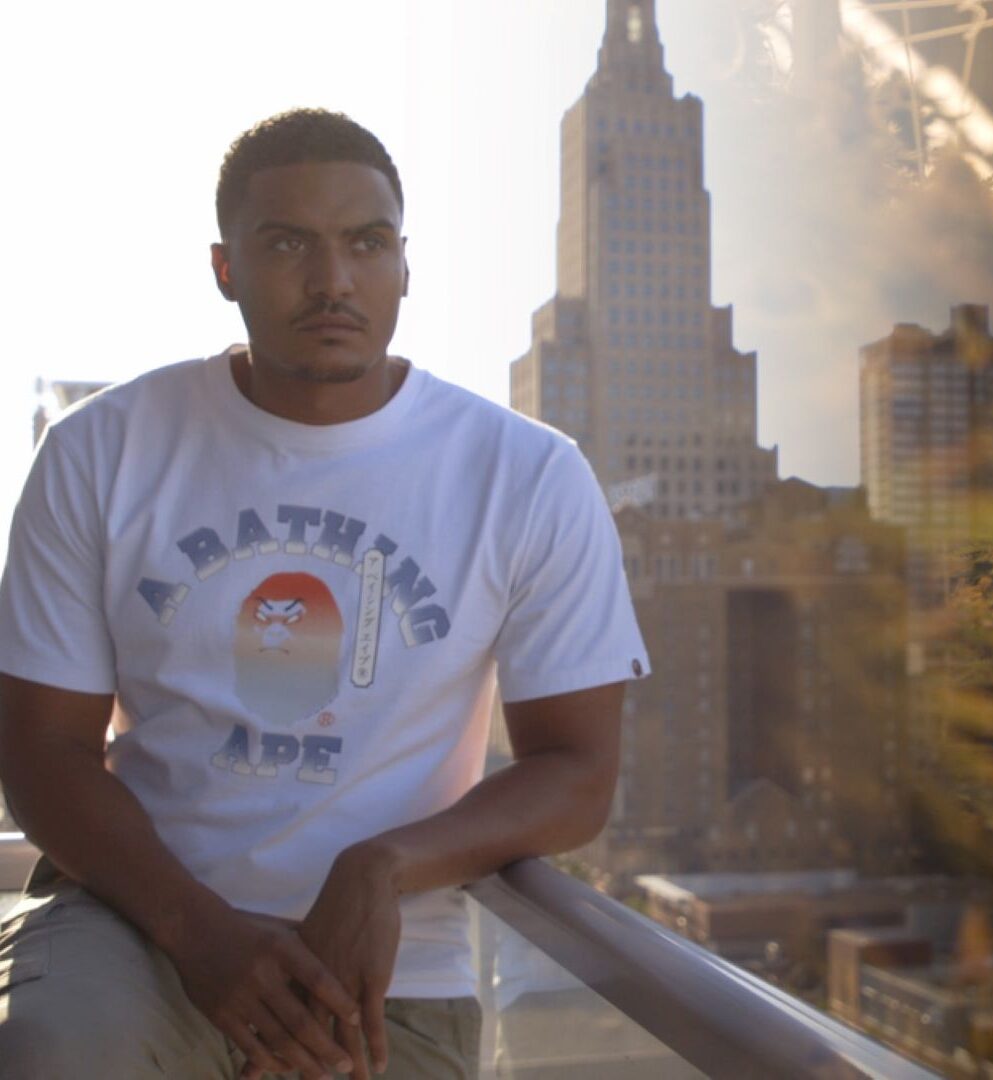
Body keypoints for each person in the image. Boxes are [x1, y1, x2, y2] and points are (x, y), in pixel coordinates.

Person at [0, 108, 649, 1079]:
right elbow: (43, 753)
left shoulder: (525, 474)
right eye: (288, 243)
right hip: (134, 923)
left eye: (365, 243)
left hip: (388, 977)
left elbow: (577, 772)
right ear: (226, 270)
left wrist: (381, 865)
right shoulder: (103, 450)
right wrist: (199, 933)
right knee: (53, 1053)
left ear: (404, 267)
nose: (333, 279)